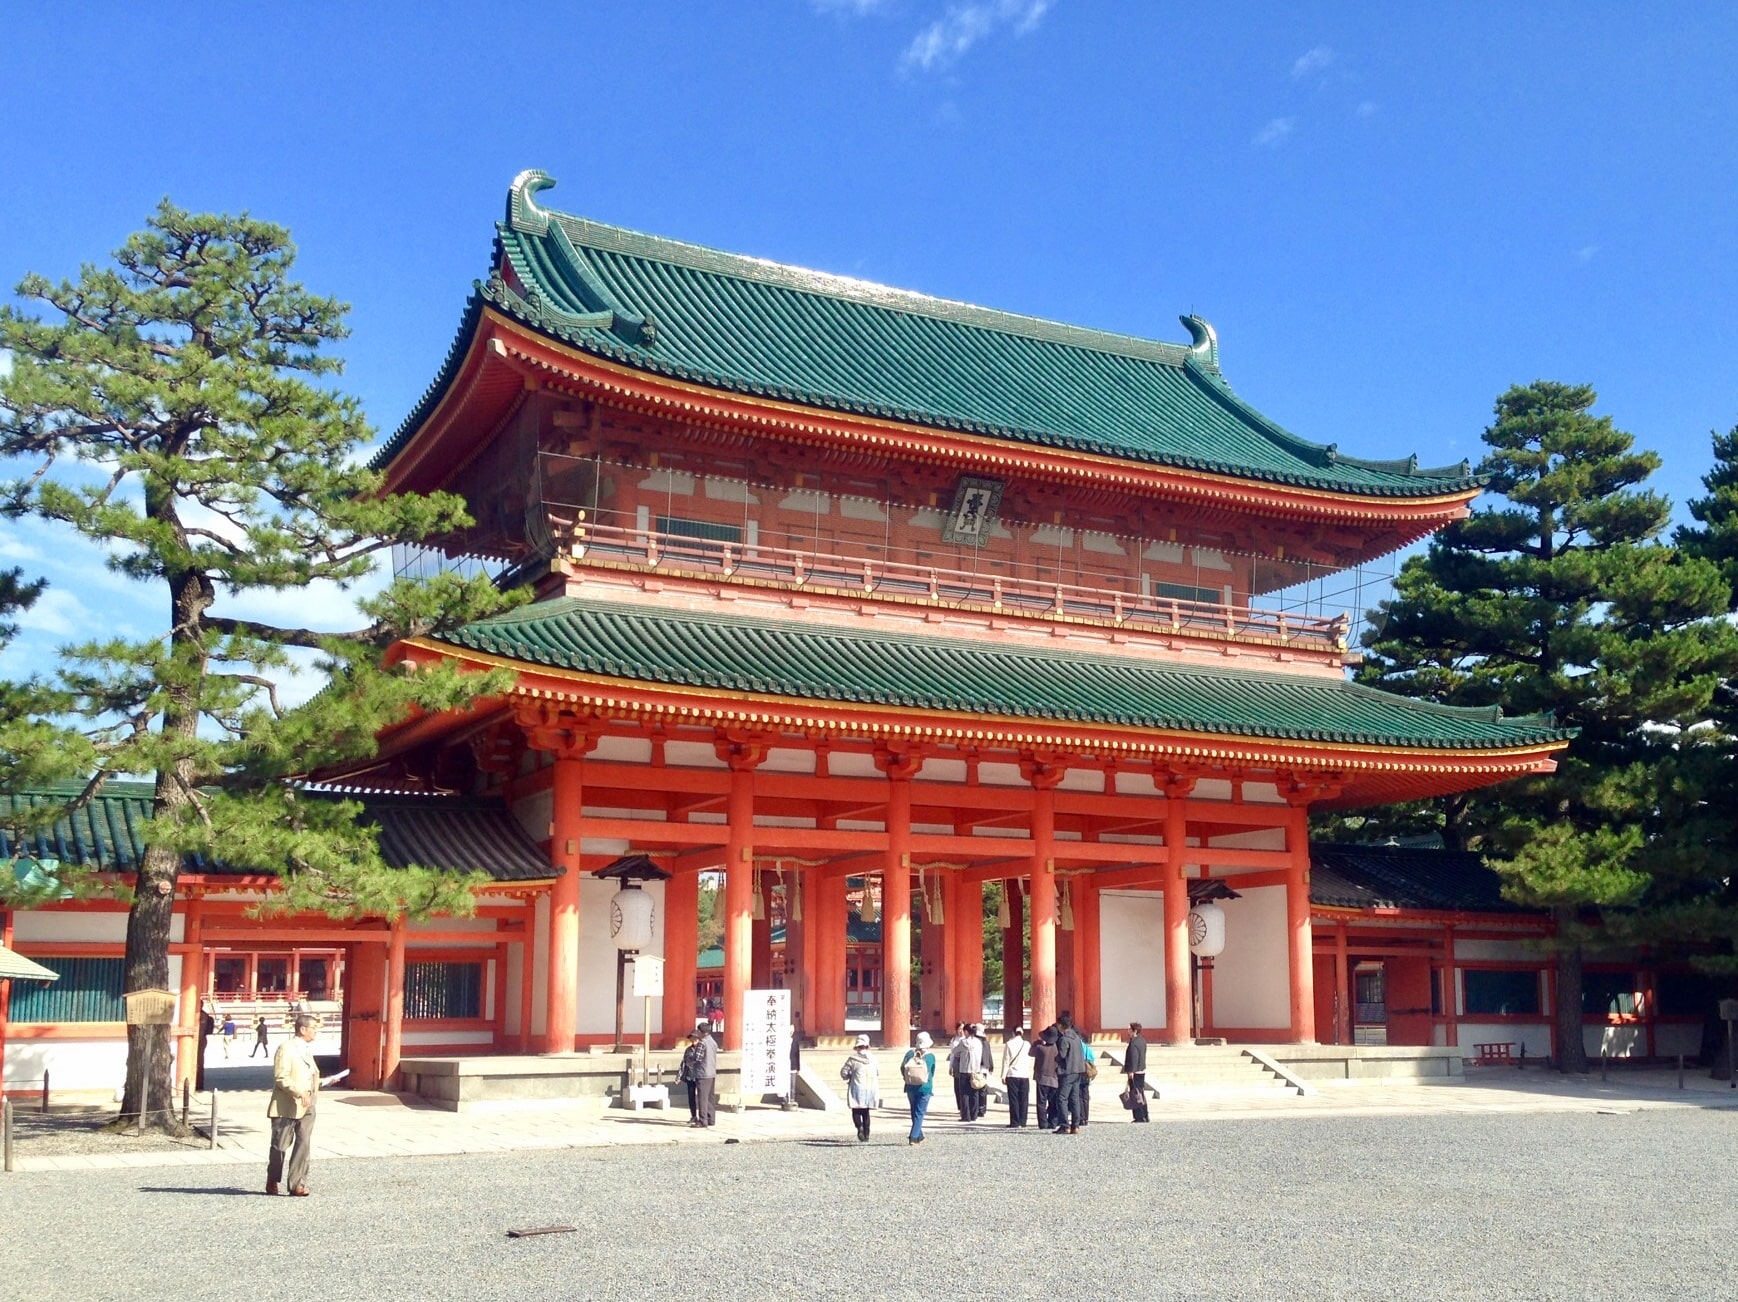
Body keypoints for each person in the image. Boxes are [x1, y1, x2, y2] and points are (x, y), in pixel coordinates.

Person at [266, 1013, 322, 1195]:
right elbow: (281, 1076)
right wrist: (298, 1092)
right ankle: (272, 1177)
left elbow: (309, 1075)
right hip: (287, 1104)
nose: (316, 1031)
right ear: (303, 1029)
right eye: (314, 1028)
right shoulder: (286, 1048)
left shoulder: (306, 1050)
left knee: (303, 1143)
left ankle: (297, 1184)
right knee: (280, 1146)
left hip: (308, 1104)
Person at [839, 1033, 880, 1142]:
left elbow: (843, 1072)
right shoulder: (874, 1059)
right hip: (870, 1088)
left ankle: (859, 1127)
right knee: (866, 1111)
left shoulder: (853, 1059)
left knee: (856, 1110)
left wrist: (848, 1076)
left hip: (857, 1087)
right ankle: (867, 1133)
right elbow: (877, 1072)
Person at [901, 1031, 936, 1145]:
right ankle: (914, 1137)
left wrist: (907, 1078)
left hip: (910, 1087)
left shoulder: (909, 1054)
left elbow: (902, 1067)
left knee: (914, 1111)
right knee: (919, 1112)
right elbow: (932, 1072)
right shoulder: (930, 1057)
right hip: (925, 1088)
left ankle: (919, 1135)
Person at [1053, 1012, 1085, 1134]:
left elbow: (1062, 1055)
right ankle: (1076, 1125)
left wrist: (1056, 1059)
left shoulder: (1064, 1039)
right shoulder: (1077, 1038)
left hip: (1067, 1071)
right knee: (1075, 1098)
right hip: (1078, 1070)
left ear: (1061, 1025)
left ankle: (1064, 1125)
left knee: (1062, 1098)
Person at [1000, 1026, 1032, 1127]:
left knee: (1013, 1099)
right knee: (1024, 1099)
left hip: (1012, 1074)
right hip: (1024, 1074)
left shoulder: (1009, 1044)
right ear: (1022, 1033)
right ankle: (1023, 1121)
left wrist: (1003, 1075)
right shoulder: (1027, 1044)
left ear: (1013, 1033)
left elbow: (1006, 1061)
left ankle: (1015, 1121)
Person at [948, 1023, 980, 1121]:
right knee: (974, 1093)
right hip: (976, 1070)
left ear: (966, 1031)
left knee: (964, 1094)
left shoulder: (963, 1042)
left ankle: (966, 1116)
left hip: (965, 1070)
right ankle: (974, 1115)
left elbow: (954, 1051)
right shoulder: (978, 1042)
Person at [1032, 1027, 1060, 1131]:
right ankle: (1052, 1122)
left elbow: (1030, 1053)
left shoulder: (1040, 1048)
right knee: (1053, 1102)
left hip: (1042, 1078)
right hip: (1054, 1079)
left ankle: (1043, 1123)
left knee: (1041, 1103)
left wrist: (1035, 1043)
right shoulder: (1057, 1049)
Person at [1123, 1022, 1149, 1123]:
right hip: (1141, 1069)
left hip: (1135, 1071)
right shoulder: (1142, 1041)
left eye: (1129, 1029)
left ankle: (1139, 1116)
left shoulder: (1133, 1042)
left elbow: (1133, 1057)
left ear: (1135, 1031)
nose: (1128, 1031)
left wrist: (1131, 1071)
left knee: (1135, 1094)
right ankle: (1145, 1114)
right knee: (1141, 1093)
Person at [694, 1022, 719, 1127]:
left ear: (701, 1032)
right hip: (711, 1072)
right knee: (710, 1098)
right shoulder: (713, 1042)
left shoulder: (702, 1043)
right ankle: (711, 1119)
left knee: (702, 1098)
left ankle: (702, 1120)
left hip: (703, 1073)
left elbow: (697, 1058)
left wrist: (690, 1060)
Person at [679, 1027, 705, 1126]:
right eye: (692, 1039)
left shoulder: (702, 1048)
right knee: (691, 1097)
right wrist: (679, 1076)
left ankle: (702, 1116)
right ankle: (693, 1115)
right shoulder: (688, 1050)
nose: (694, 1041)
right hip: (690, 1075)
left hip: (700, 1075)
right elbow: (683, 1063)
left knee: (701, 1097)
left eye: (696, 1039)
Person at [973, 1023, 994, 1120]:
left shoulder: (975, 1042)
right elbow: (989, 1055)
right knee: (983, 1089)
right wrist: (991, 1066)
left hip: (977, 1067)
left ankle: (977, 1108)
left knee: (975, 1088)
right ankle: (983, 1108)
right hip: (985, 1067)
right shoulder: (986, 1042)